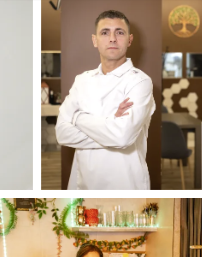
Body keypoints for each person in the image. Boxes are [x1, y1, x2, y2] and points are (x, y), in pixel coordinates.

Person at [56, 9, 155, 190]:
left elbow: (122, 137)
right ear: (94, 40)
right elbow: (62, 134)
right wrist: (111, 126)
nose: (112, 39)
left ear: (129, 40)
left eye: (119, 32)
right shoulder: (82, 80)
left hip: (126, 182)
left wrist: (78, 118)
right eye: (105, 32)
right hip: (83, 183)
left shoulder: (140, 82)